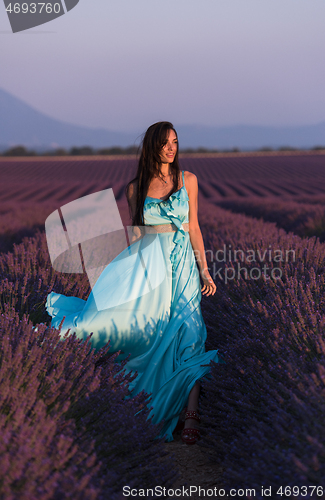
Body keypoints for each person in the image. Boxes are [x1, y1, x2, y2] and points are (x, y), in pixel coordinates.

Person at [45, 121, 221, 444]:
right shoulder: (134, 189)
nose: (172, 148)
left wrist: (204, 270)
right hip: (152, 264)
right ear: (153, 146)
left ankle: (193, 410)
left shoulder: (188, 180)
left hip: (182, 263)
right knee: (154, 335)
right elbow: (137, 237)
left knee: (191, 330)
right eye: (166, 143)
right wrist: (123, 281)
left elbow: (193, 227)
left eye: (175, 142)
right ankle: (167, 405)